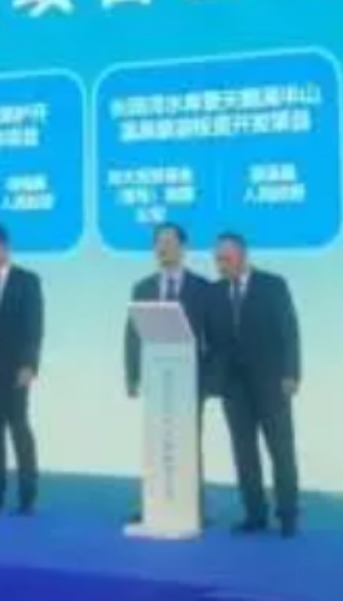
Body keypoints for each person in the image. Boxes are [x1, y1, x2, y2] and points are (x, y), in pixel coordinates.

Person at [206, 232, 301, 537]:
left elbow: (289, 331)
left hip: (272, 382)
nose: (221, 265)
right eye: (218, 260)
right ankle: (255, 513)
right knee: (244, 451)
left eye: (227, 259)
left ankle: (287, 514)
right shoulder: (214, 292)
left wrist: (292, 373)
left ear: (243, 256)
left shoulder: (273, 285)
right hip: (233, 386)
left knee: (281, 450)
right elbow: (210, 340)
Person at [123, 222, 214, 521]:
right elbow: (132, 335)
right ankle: (154, 504)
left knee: (188, 442)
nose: (162, 248)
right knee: (155, 441)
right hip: (155, 379)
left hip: (190, 381)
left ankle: (192, 507)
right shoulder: (142, 287)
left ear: (183, 247)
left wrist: (211, 379)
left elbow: (214, 337)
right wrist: (132, 376)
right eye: (158, 243)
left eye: (169, 242)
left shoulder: (203, 288)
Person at [0, 223, 43, 515]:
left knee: (18, 427)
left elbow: (34, 327)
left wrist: (29, 365)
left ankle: (27, 491)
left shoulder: (27, 281)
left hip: (15, 368)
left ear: (3, 247)